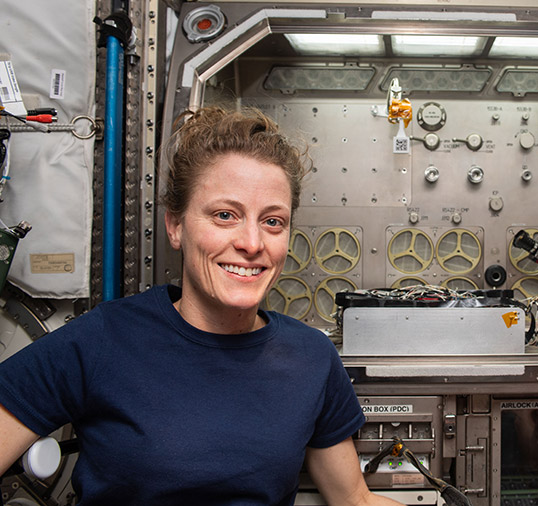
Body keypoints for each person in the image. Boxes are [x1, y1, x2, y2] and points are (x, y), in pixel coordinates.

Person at [0, 107, 402, 506]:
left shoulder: (311, 357)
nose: (252, 243)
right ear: (176, 225)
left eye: (273, 221)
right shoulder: (104, 338)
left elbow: (353, 499)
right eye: (225, 215)